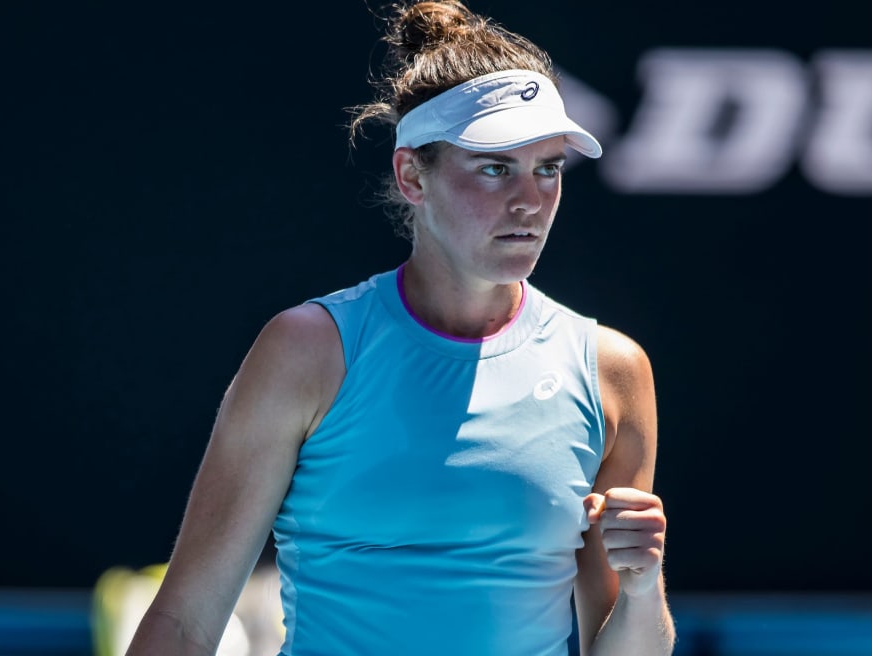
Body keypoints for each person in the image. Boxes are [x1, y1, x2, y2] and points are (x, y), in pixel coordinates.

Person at [126, 1, 674, 654]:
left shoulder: (611, 371)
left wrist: (644, 586)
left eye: (548, 168)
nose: (529, 199)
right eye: (495, 167)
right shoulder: (308, 350)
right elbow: (186, 622)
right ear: (412, 174)